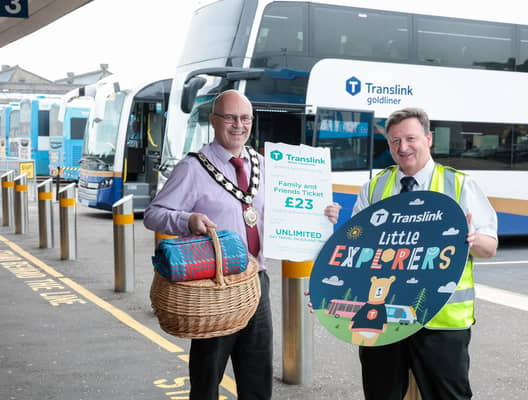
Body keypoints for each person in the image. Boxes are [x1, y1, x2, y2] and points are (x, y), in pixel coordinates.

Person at [144, 89, 340, 400]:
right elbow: (154, 214)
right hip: (214, 286)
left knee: (257, 378)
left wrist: (321, 214)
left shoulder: (264, 164)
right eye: (231, 118)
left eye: (245, 118)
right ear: (213, 121)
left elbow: (287, 209)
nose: (239, 125)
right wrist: (187, 220)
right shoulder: (193, 167)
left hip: (256, 281)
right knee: (207, 381)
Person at [353, 107, 498, 400]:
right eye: (395, 141)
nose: (403, 147)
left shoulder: (460, 185)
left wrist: (470, 239)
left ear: (428, 139)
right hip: (385, 316)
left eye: (410, 138)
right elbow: (356, 253)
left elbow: (490, 247)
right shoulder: (374, 188)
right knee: (380, 394)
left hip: (440, 321)